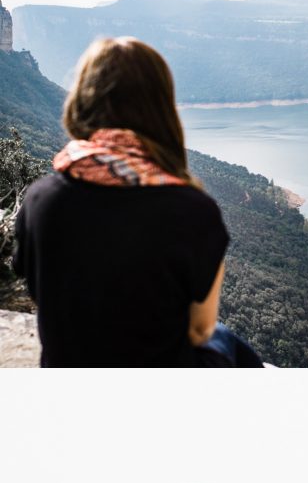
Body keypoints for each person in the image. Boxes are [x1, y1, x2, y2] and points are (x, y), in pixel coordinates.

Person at [13, 36, 263, 368]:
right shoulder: (192, 211)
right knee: (230, 343)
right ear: (161, 107)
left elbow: (40, 294)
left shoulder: (39, 199)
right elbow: (200, 329)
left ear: (81, 102)